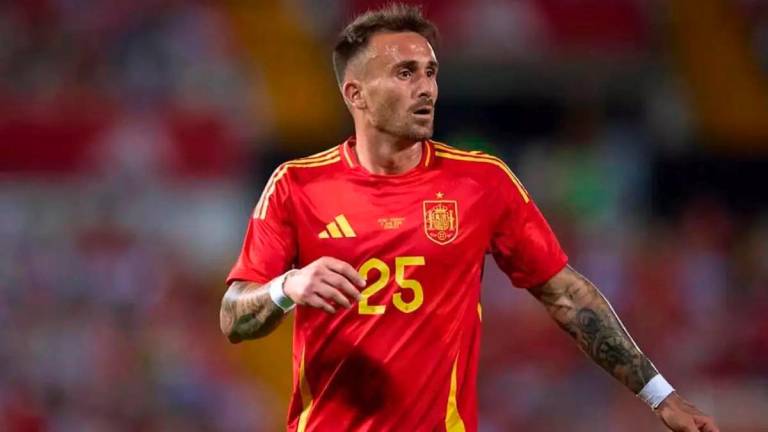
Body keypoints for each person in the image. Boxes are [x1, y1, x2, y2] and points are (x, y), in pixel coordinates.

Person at [220, 4, 719, 431]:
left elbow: (566, 294)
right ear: (356, 95)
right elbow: (233, 316)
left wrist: (661, 396)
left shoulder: (480, 181)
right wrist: (288, 287)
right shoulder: (297, 185)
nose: (427, 89)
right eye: (404, 73)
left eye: (430, 72)